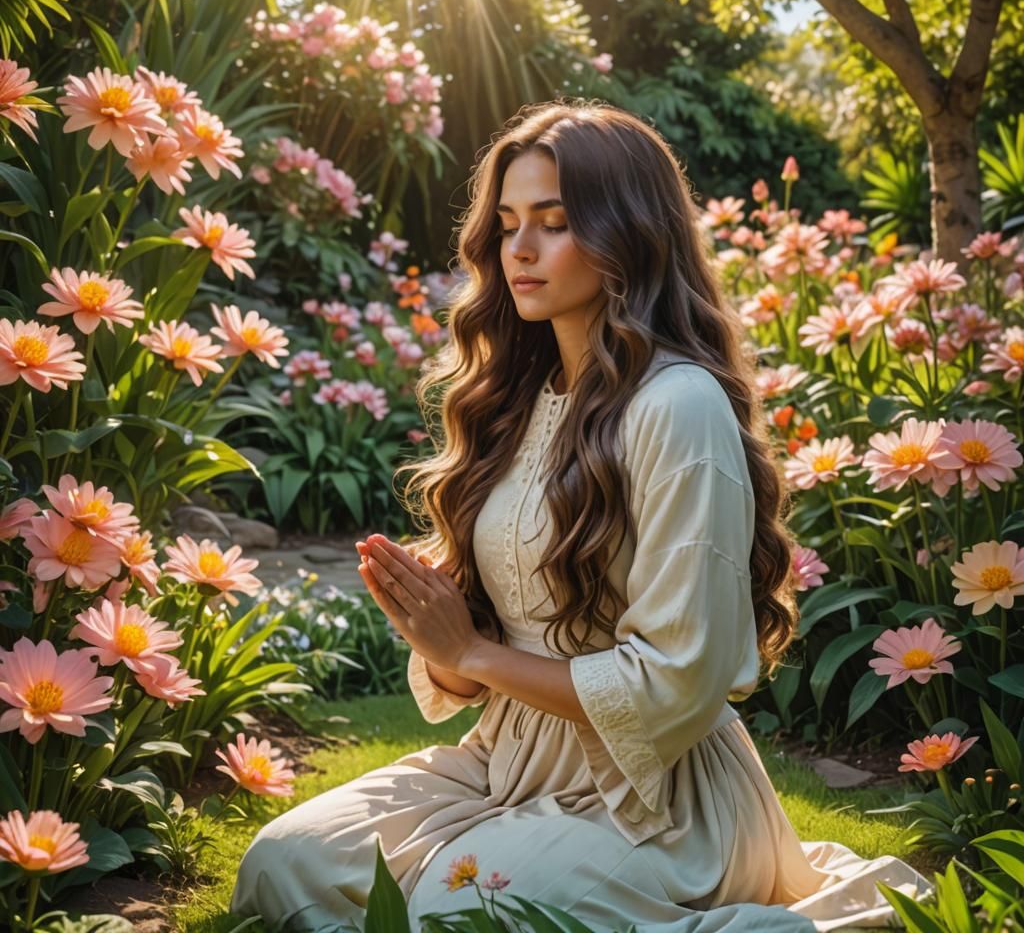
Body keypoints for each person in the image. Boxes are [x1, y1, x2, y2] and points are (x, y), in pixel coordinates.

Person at [229, 100, 932, 932]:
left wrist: (475, 653)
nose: (519, 249)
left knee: (460, 910)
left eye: (555, 223)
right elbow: (480, 652)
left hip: (660, 796)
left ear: (627, 234)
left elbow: (677, 684)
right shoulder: (516, 398)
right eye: (508, 223)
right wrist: (445, 641)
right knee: (284, 864)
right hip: (505, 760)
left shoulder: (679, 405)